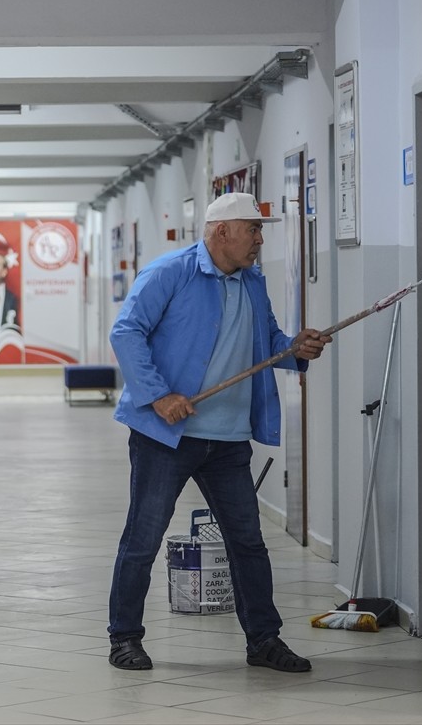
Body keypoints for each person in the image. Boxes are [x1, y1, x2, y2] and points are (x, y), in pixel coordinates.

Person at [107, 192, 331, 674]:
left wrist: (296, 349)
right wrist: (159, 395)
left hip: (228, 438)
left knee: (247, 541)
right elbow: (126, 333)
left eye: (260, 229)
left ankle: (264, 640)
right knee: (143, 539)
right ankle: (124, 638)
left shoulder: (252, 282)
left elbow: (266, 343)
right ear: (221, 231)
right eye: (253, 228)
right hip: (166, 435)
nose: (259, 238)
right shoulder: (171, 272)